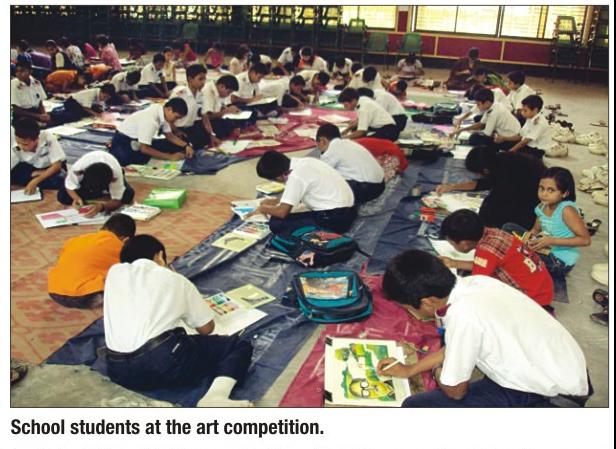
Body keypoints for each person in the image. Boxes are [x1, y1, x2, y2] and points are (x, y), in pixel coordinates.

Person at [379, 250, 591, 407]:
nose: (410, 313)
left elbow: (455, 391)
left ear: (427, 302)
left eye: (408, 308)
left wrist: (437, 371)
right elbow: (453, 346)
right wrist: (410, 370)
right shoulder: (476, 282)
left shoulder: (462, 315)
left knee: (416, 406)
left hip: (550, 397)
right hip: (564, 370)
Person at [104, 235, 253, 406]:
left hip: (118, 371)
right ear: (159, 256)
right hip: (163, 365)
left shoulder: (114, 273)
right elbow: (207, 329)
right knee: (237, 346)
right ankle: (215, 397)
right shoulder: (175, 280)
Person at [439, 209, 554, 308]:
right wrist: (453, 263)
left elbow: (477, 284)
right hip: (543, 287)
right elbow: (483, 265)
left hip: (533, 300)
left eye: (452, 243)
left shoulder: (486, 251)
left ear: (464, 244)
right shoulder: (493, 233)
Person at [436, 147, 546, 229]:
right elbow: (482, 183)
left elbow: (493, 198)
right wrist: (451, 187)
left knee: (491, 213)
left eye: (477, 173)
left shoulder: (506, 176)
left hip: (537, 198)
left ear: (485, 171)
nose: (477, 176)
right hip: (533, 186)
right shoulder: (497, 160)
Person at [253, 151, 356, 235]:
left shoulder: (295, 177)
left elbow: (282, 213)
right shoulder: (305, 162)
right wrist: (277, 201)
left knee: (276, 223)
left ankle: (325, 231)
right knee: (296, 211)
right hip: (350, 210)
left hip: (335, 219)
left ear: (279, 177)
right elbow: (297, 191)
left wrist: (263, 208)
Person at [48, 214, 136, 309]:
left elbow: (60, 259)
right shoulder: (119, 246)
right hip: (86, 297)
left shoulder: (75, 240)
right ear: (126, 239)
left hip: (54, 291)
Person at [526, 167, 591, 279]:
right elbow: (535, 230)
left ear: (565, 193)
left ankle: (555, 279)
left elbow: (585, 240)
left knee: (523, 259)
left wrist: (551, 241)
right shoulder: (541, 207)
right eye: (541, 188)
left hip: (560, 260)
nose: (544, 194)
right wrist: (528, 240)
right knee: (509, 227)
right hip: (546, 250)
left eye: (551, 190)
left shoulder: (566, 210)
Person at [110, 98, 192, 166]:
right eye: (176, 117)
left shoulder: (162, 112)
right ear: (169, 109)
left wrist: (186, 146)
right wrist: (170, 157)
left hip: (137, 141)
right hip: (123, 146)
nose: (176, 121)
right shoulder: (151, 120)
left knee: (170, 145)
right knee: (143, 159)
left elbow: (170, 136)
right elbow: (144, 149)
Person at [317, 124, 385, 205]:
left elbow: (320, 174)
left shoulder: (332, 149)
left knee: (326, 184)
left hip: (367, 189)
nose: (319, 148)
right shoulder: (349, 143)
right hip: (380, 184)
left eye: (318, 144)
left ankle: (346, 208)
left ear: (323, 140)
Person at [57, 150, 135, 217]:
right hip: (87, 181)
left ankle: (95, 195)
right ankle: (97, 195)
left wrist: (102, 207)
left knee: (128, 195)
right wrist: (76, 198)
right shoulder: (78, 169)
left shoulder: (115, 174)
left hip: (108, 177)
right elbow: (69, 186)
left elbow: (118, 199)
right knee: (63, 196)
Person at [170, 64, 220, 149]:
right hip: (176, 129)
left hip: (191, 127)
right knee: (186, 146)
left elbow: (205, 117)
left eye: (204, 79)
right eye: (200, 79)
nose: (203, 82)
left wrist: (212, 135)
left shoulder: (201, 95)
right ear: (190, 79)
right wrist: (176, 131)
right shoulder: (179, 94)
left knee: (216, 131)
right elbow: (167, 117)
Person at [451, 88, 520, 149]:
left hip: (509, 140)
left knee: (474, 138)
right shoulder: (493, 105)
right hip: (507, 133)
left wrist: (469, 131)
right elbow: (481, 124)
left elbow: (486, 134)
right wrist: (462, 129)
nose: (477, 107)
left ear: (486, 103)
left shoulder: (494, 113)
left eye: (478, 104)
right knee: (476, 127)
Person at [11, 118, 66, 193]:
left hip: (50, 166)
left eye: (25, 144)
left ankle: (39, 177)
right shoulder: (15, 145)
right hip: (30, 167)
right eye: (18, 142)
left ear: (36, 139)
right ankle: (36, 175)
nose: (20, 146)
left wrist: (35, 181)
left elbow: (57, 166)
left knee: (58, 180)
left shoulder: (47, 138)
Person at [493, 95, 552, 159]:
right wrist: (504, 138)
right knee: (501, 144)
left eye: (525, 110)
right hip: (527, 145)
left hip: (536, 150)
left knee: (511, 157)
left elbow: (524, 142)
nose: (522, 112)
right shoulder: (530, 118)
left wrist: (509, 153)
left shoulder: (539, 122)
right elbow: (521, 136)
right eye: (522, 110)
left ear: (535, 110)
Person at [201, 74, 241, 140]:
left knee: (233, 123)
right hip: (203, 122)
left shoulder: (218, 90)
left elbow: (220, 105)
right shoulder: (208, 92)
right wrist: (227, 111)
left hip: (214, 117)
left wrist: (229, 109)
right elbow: (208, 117)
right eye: (228, 92)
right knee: (222, 127)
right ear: (222, 86)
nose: (228, 95)